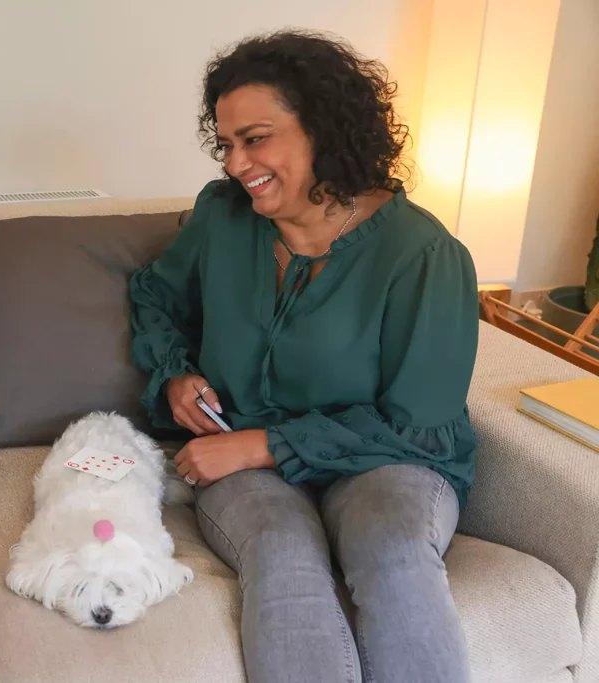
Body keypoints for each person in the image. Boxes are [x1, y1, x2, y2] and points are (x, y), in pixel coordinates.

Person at [129, 30, 478, 683]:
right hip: (236, 455)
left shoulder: (422, 255)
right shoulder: (223, 217)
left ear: (322, 127)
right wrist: (176, 373)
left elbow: (417, 427)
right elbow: (154, 293)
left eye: (255, 138)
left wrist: (265, 444)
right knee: (281, 548)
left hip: (385, 462)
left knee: (395, 549)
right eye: (226, 143)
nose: (236, 163)